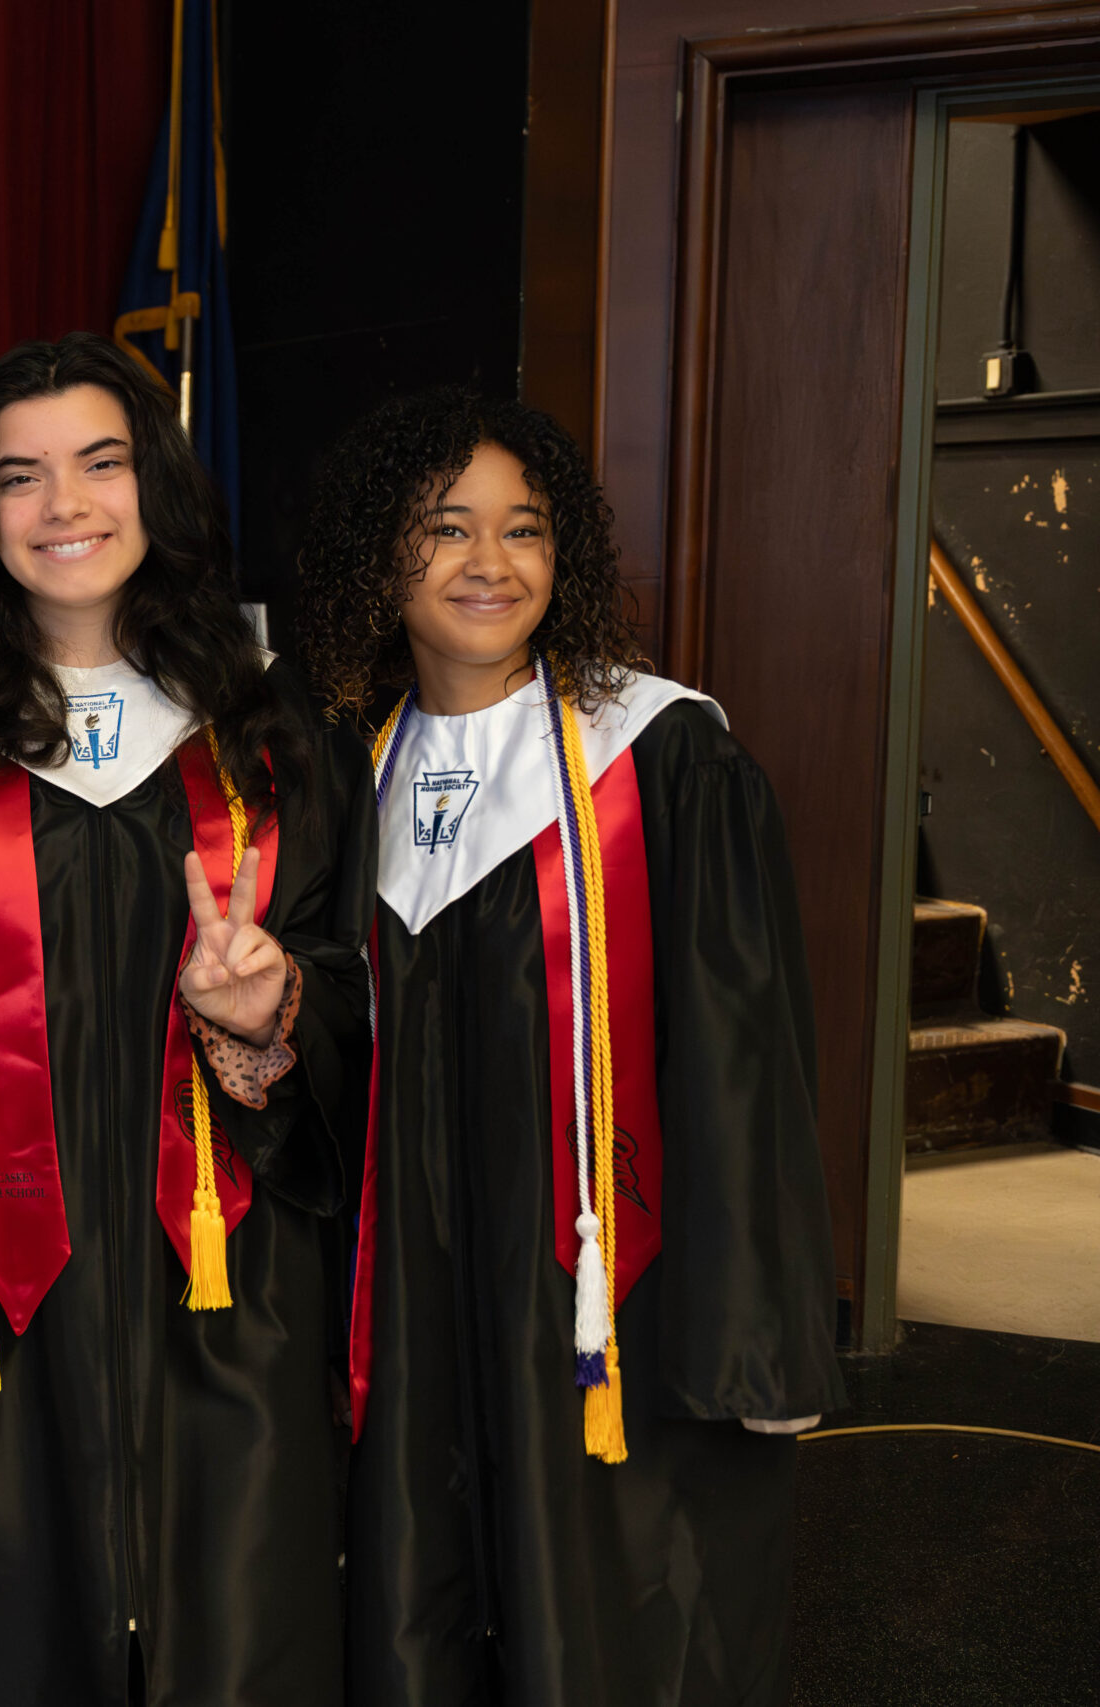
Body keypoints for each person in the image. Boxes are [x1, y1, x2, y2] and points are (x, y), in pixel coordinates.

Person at [0, 331, 372, 1704]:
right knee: (11, 1638)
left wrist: (267, 1016)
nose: (64, 504)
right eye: (22, 475)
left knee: (244, 1647)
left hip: (231, 1287)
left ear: (155, 487)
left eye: (100, 463)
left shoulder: (272, 728)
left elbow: (359, 988)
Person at [298, 388, 845, 1707]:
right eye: (446, 528)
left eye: (526, 527)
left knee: (607, 1618)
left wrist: (754, 1336)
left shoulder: (662, 756)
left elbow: (743, 1063)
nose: (490, 562)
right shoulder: (346, 771)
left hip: (612, 1309)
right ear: (381, 556)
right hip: (420, 1307)